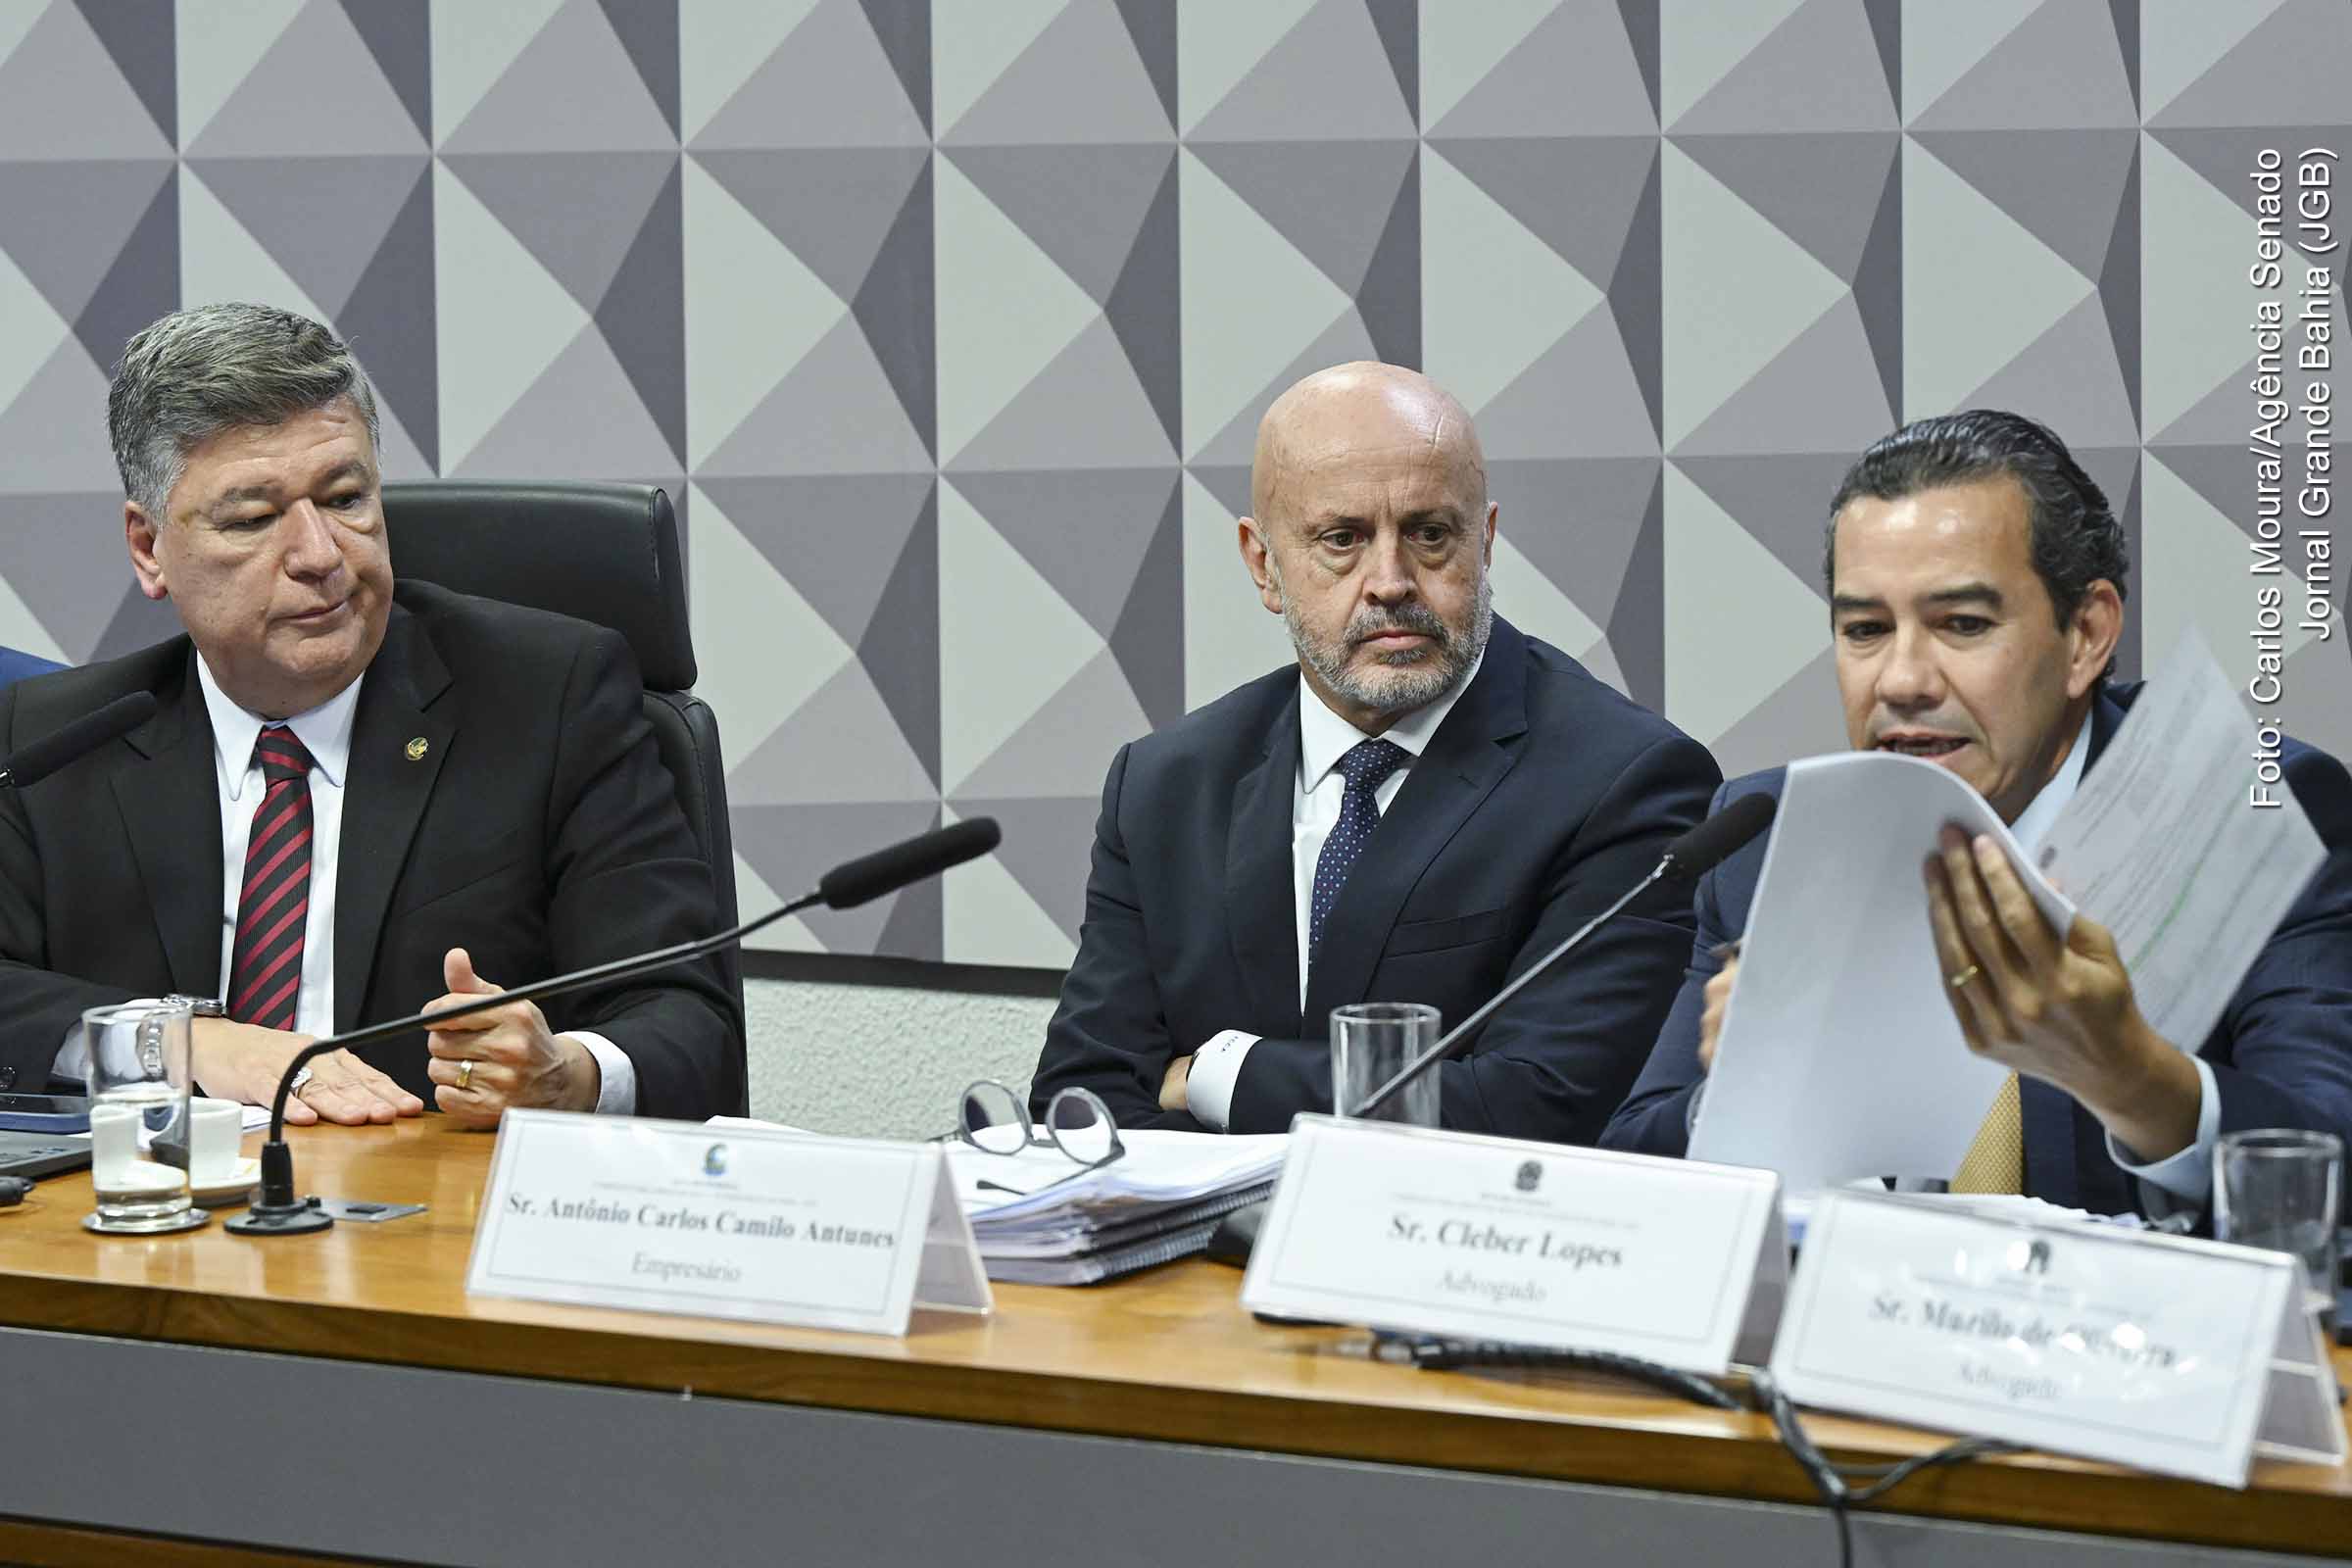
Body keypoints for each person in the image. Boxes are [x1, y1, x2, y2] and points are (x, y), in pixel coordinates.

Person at [0, 303, 739, 1125]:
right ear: (149, 549)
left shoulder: (549, 699)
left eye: (345, 497)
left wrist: (568, 1072)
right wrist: (185, 1044)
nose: (320, 555)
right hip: (151, 1231)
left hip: (429, 1222)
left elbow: (688, 1022)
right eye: (252, 519)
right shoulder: (56, 742)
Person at [1601, 410, 2352, 1216]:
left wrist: (2132, 1076)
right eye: (1864, 629)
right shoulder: (1770, 833)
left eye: (1962, 624)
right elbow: (1635, 1174)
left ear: (2086, 637)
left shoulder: (2246, 811)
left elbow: (2330, 1164)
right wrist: (1753, 1097)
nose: (1901, 680)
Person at [1029, 363, 1720, 1141]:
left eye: (1429, 535)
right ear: (1265, 566)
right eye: (1342, 540)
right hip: (1200, 1261)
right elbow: (1081, 1105)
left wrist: (1220, 1073)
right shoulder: (1164, 785)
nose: (1390, 581)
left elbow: (1536, 1106)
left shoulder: (1625, 781)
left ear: (1484, 541)